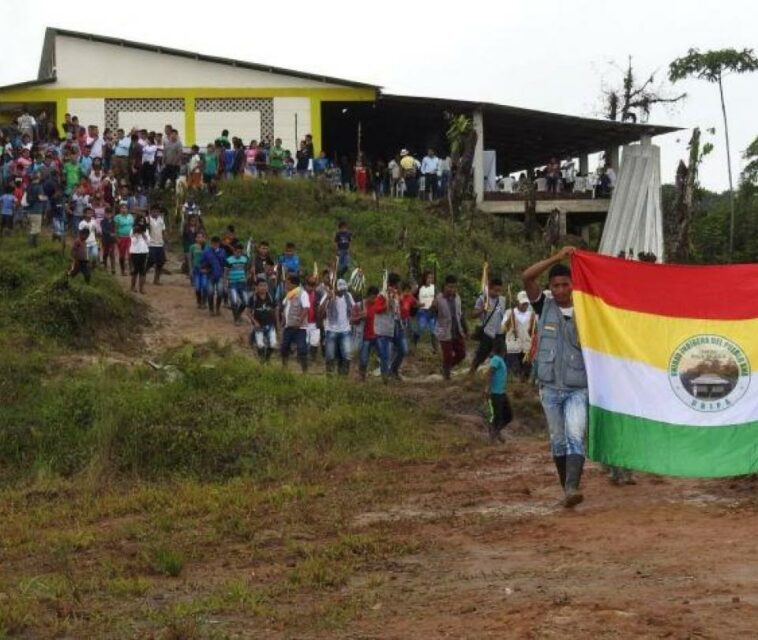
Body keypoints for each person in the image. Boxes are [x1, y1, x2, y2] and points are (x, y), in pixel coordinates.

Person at [522, 246, 587, 508]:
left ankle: (572, 486)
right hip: (549, 387)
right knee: (557, 441)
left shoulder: (587, 311)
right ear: (550, 287)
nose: (561, 290)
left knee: (575, 435)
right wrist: (556, 258)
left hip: (578, 388)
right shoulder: (543, 306)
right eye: (556, 285)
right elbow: (527, 277)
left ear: (573, 285)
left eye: (565, 285)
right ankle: (567, 490)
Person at [469, 278, 507, 374]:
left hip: (499, 333)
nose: (497, 293)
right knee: (481, 355)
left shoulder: (502, 300)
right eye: (495, 290)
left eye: (499, 290)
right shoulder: (483, 299)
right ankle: (472, 371)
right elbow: (473, 314)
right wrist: (482, 309)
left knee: (501, 354)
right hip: (487, 332)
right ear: (489, 288)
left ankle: (496, 373)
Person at [433, 275, 468, 380]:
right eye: (449, 287)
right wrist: (433, 306)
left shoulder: (457, 297)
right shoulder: (438, 299)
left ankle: (446, 368)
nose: (452, 289)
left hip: (457, 331)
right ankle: (446, 375)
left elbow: (460, 314)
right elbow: (431, 314)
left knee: (462, 354)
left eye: (454, 287)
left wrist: (465, 328)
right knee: (447, 355)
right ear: (445, 286)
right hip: (444, 332)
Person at [374, 273, 408, 379]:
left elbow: (400, 310)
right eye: (398, 284)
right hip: (384, 327)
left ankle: (393, 369)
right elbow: (377, 309)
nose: (399, 286)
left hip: (396, 324)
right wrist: (387, 304)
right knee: (385, 354)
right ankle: (385, 377)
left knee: (403, 349)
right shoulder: (382, 295)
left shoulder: (397, 295)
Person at [321, 278, 354, 376]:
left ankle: (343, 378)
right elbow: (320, 311)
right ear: (336, 289)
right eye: (341, 290)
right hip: (331, 330)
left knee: (346, 355)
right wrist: (327, 298)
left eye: (344, 289)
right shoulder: (329, 295)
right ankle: (330, 376)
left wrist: (357, 315)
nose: (342, 292)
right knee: (330, 356)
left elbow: (354, 308)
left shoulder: (348, 296)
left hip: (346, 330)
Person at [357, 285, 389, 382]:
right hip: (366, 336)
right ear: (368, 296)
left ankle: (385, 376)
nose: (374, 299)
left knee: (383, 355)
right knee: (363, 358)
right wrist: (361, 316)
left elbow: (386, 307)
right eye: (372, 297)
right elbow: (354, 319)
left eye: (375, 297)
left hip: (377, 335)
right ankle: (362, 376)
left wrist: (387, 298)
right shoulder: (361, 305)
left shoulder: (377, 304)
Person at [503, 291, 536, 382]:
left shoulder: (532, 315)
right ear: (517, 302)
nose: (524, 306)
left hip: (526, 347)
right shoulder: (509, 312)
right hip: (513, 346)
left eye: (526, 304)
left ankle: (522, 389)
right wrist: (509, 322)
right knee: (513, 371)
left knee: (525, 372)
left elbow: (534, 331)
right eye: (522, 303)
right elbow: (502, 328)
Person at [280, 274, 310, 372]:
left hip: (299, 328)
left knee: (302, 349)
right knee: (284, 348)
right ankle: (284, 368)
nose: (286, 285)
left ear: (293, 284)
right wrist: (284, 320)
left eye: (287, 283)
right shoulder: (289, 294)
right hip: (289, 326)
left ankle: (304, 371)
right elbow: (286, 308)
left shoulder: (302, 293)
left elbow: (306, 308)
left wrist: (299, 321)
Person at [486, 341, 512, 442]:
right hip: (495, 393)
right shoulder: (496, 359)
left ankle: (496, 432)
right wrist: (487, 388)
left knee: (508, 415)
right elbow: (490, 372)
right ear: (503, 349)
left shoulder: (500, 360)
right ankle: (493, 435)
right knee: (498, 416)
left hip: (501, 392)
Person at [249, 276, 278, 362]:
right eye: (261, 285)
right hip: (259, 326)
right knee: (260, 345)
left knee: (273, 344)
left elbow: (275, 310)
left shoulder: (271, 297)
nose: (263, 288)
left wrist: (277, 324)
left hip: (270, 325)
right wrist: (255, 322)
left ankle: (267, 359)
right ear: (257, 287)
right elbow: (247, 312)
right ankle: (262, 361)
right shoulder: (253, 299)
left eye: (265, 285)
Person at [201, 236, 227, 316]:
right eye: (213, 243)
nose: (215, 245)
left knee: (220, 292)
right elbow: (202, 263)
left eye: (216, 243)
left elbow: (224, 263)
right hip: (210, 275)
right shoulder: (206, 252)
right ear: (211, 243)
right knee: (210, 292)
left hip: (219, 275)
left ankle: (218, 308)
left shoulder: (222, 252)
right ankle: (211, 309)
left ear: (219, 244)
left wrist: (225, 275)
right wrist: (203, 269)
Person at [226, 242, 250, 323]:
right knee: (234, 301)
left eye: (240, 252)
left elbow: (247, 269)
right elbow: (226, 271)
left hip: (242, 282)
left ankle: (238, 313)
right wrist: (225, 281)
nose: (238, 254)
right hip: (232, 283)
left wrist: (246, 278)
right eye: (237, 252)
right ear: (234, 251)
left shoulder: (244, 259)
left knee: (246, 301)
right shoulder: (229, 260)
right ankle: (236, 319)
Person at [415, 271, 438, 352]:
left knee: (433, 331)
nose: (430, 279)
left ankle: (436, 349)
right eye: (428, 278)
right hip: (423, 311)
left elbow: (437, 297)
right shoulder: (420, 288)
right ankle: (414, 344)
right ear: (424, 278)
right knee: (420, 328)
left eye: (431, 278)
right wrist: (418, 303)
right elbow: (414, 298)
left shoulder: (434, 287)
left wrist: (435, 303)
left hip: (432, 311)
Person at [146, 208, 167, 284]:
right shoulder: (147, 219)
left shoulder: (161, 219)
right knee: (151, 261)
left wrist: (165, 240)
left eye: (157, 211)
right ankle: (143, 274)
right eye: (154, 211)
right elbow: (146, 229)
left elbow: (163, 230)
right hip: (151, 243)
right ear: (151, 212)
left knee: (161, 262)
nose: (156, 213)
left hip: (160, 243)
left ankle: (156, 279)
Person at [129, 220, 151, 294]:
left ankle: (141, 288)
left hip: (144, 252)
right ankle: (132, 287)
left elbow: (148, 242)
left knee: (142, 271)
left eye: (142, 221)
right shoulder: (132, 230)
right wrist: (136, 234)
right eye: (140, 221)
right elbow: (133, 242)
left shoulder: (146, 231)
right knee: (135, 270)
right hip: (134, 252)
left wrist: (143, 233)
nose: (141, 223)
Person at [114, 203, 134, 276]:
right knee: (122, 255)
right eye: (122, 208)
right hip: (121, 237)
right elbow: (115, 229)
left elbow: (133, 227)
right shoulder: (117, 217)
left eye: (125, 208)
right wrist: (117, 238)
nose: (124, 209)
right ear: (120, 209)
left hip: (130, 237)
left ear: (127, 209)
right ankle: (122, 270)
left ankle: (131, 269)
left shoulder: (131, 217)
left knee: (130, 253)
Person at [190, 231, 208, 308]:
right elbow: (190, 258)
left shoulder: (207, 247)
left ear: (204, 238)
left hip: (204, 269)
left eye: (201, 237)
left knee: (204, 285)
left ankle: (204, 302)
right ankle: (199, 301)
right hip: (196, 269)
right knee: (197, 287)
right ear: (195, 238)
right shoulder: (192, 247)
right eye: (198, 237)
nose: (200, 239)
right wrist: (190, 269)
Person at [100, 207, 117, 274]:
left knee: (112, 254)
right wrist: (110, 233)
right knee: (105, 253)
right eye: (107, 213)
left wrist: (115, 235)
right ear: (105, 214)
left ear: (112, 214)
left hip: (112, 240)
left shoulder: (113, 222)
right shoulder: (102, 221)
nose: (108, 215)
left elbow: (115, 229)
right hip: (105, 240)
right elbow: (103, 230)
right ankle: (105, 266)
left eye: (110, 213)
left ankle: (113, 268)